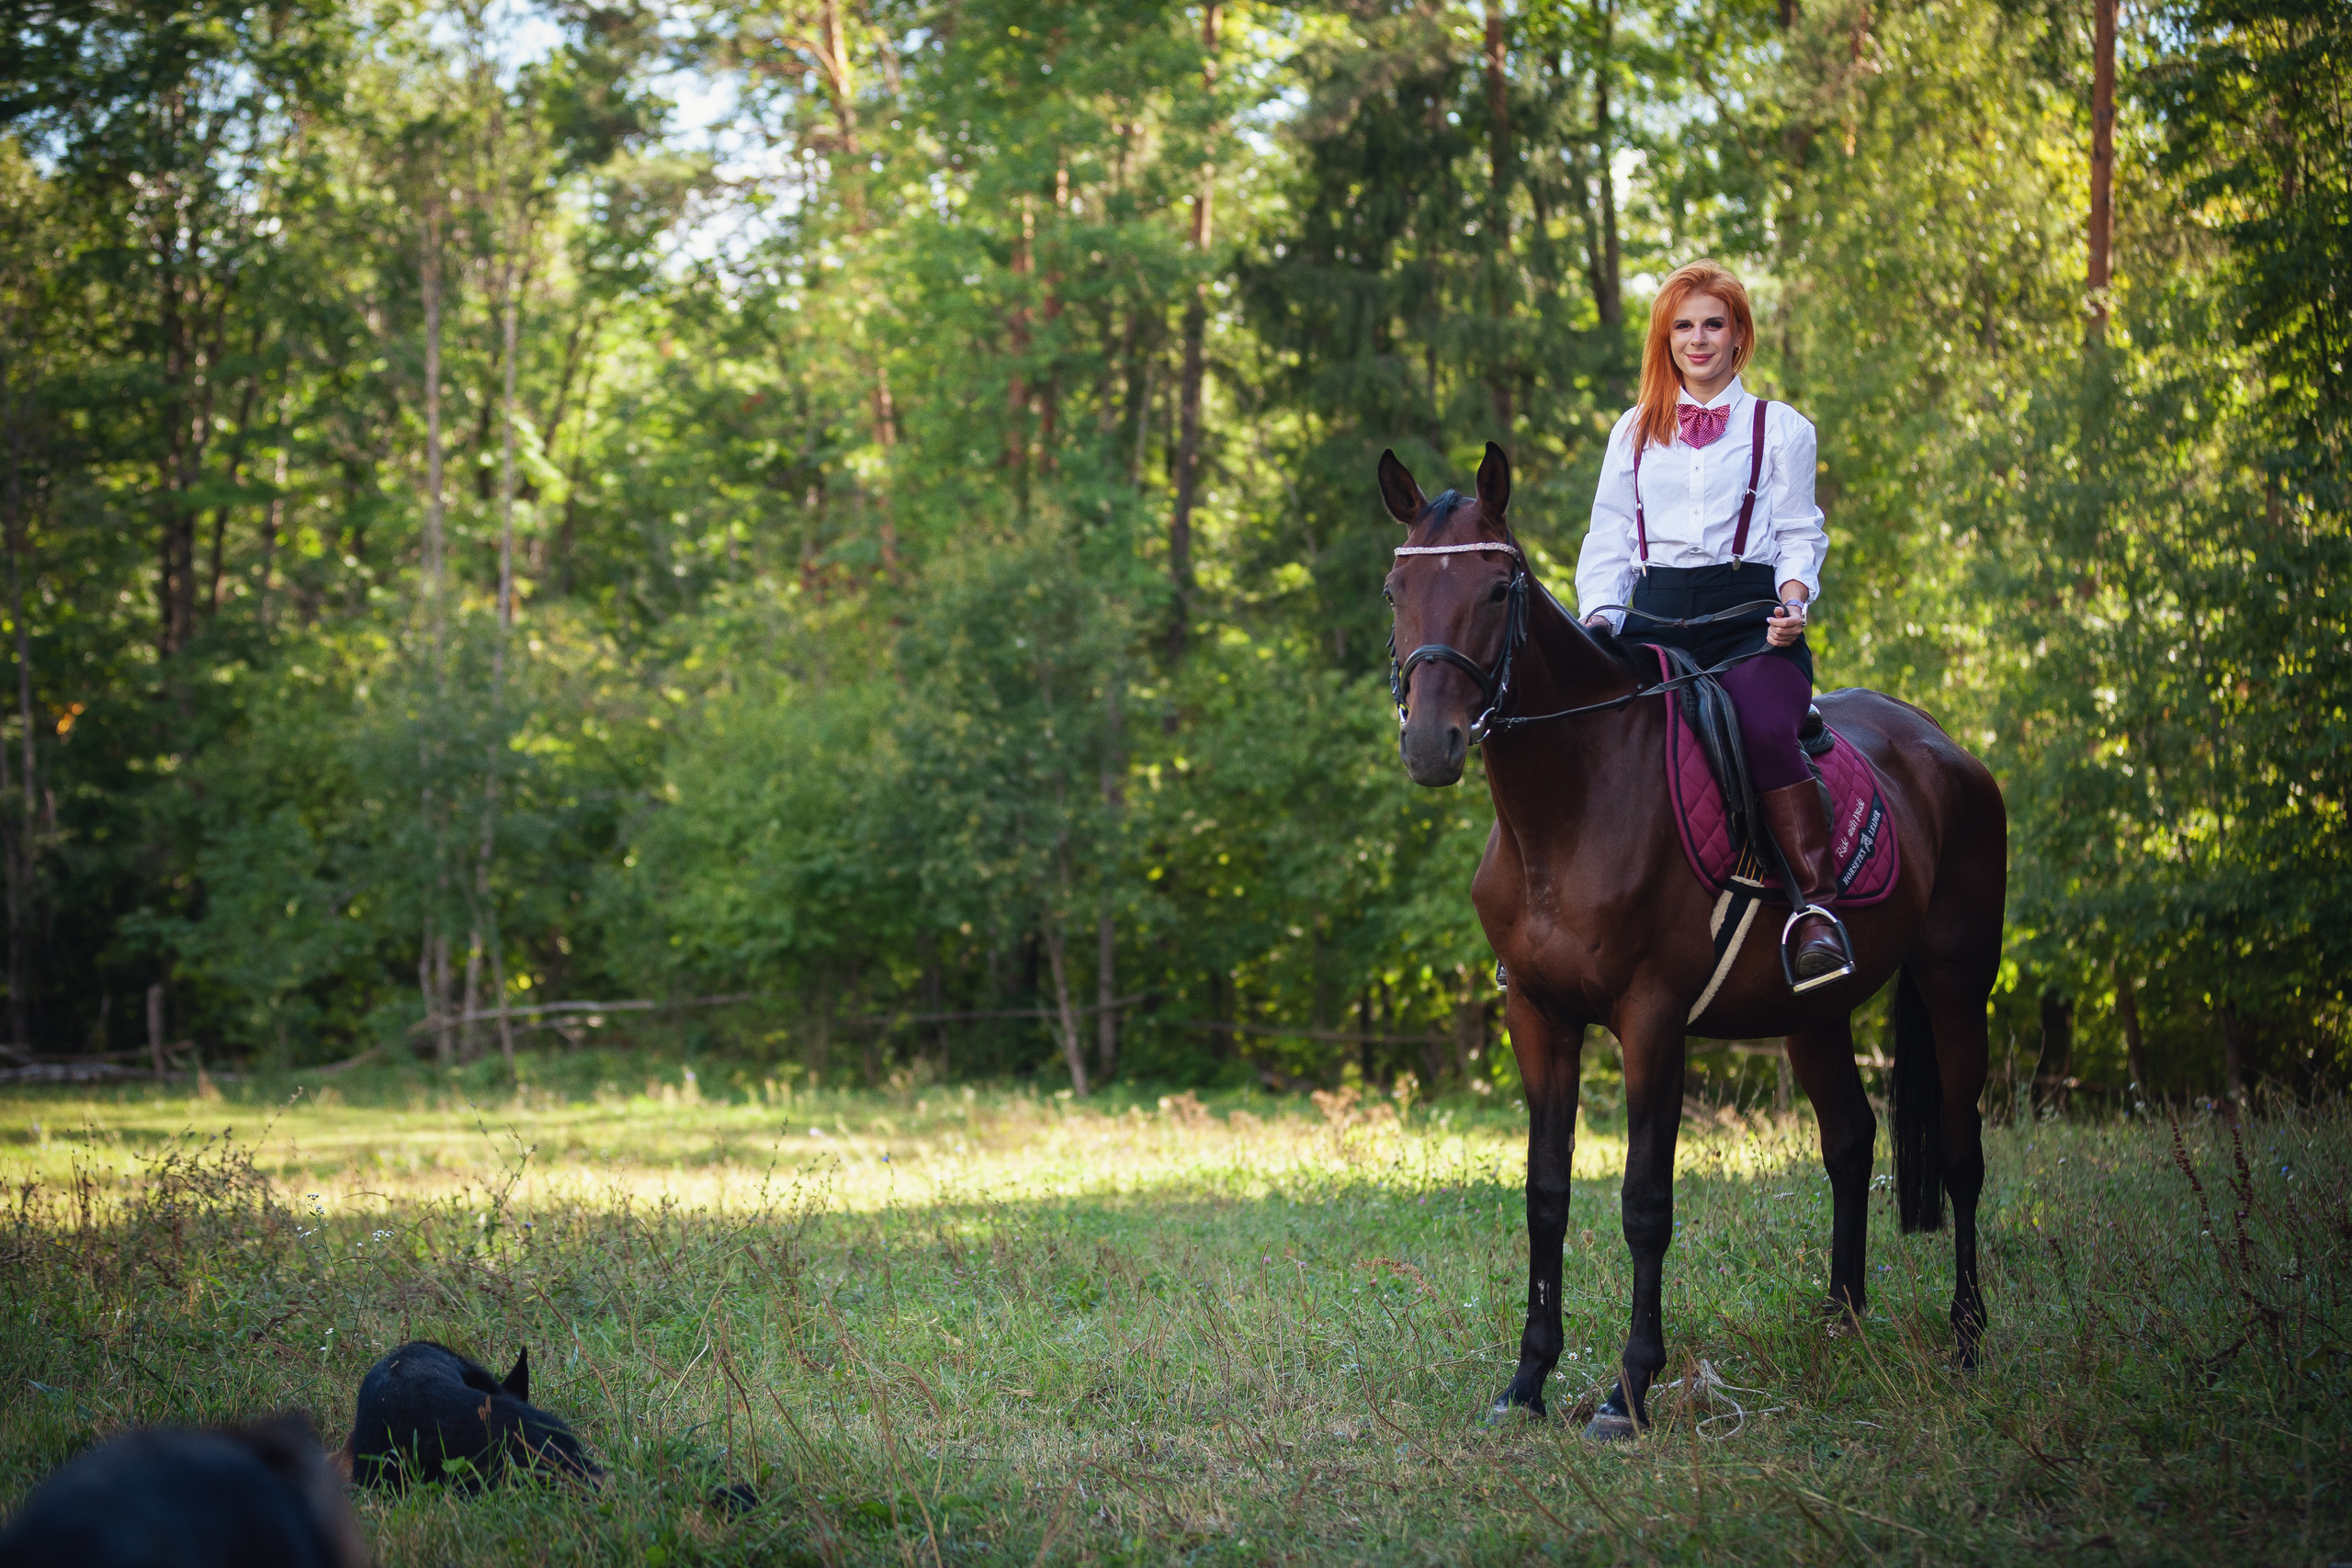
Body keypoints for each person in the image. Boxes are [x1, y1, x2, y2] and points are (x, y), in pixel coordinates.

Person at [1574, 258, 1853, 989]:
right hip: (1652, 619)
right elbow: (1607, 538)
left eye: (1712, 325)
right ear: (1666, 341)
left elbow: (1799, 531)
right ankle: (1548, 915)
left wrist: (1793, 600)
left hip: (1748, 625)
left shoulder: (1782, 428)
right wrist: (1600, 622)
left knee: (1764, 726)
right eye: (1683, 327)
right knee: (1583, 729)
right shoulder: (1631, 432)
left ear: (1738, 337)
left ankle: (1815, 910)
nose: (1697, 340)